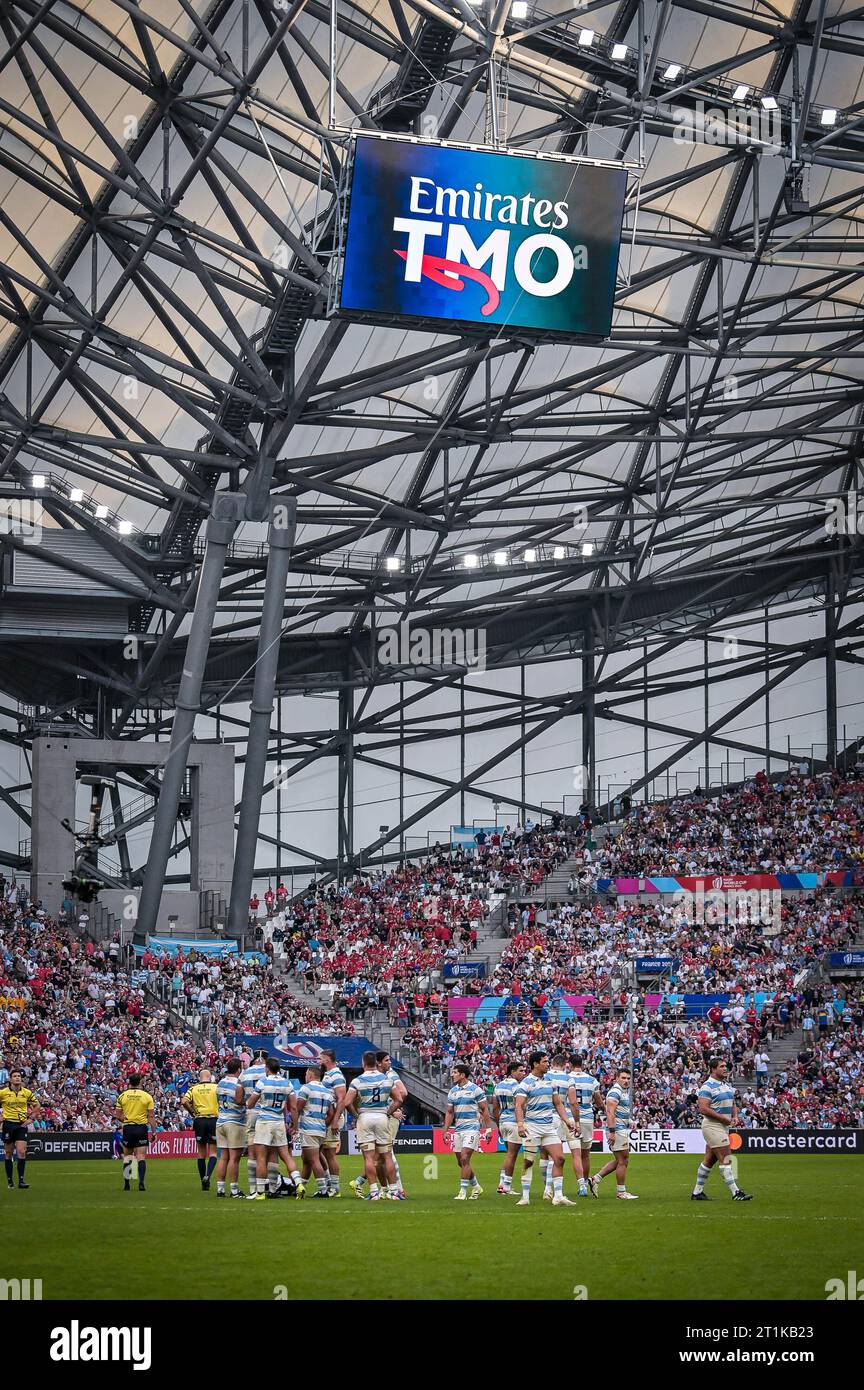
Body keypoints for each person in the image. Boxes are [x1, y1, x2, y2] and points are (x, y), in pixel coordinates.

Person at [330, 1050, 401, 1201]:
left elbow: (347, 1102)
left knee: (369, 1157)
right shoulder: (387, 1079)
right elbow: (399, 1099)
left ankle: (374, 1192)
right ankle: (394, 1192)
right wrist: (388, 1112)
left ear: (363, 1063)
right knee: (387, 1156)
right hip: (382, 1117)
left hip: (365, 1117)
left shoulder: (358, 1081)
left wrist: (356, 1115)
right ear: (376, 1062)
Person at [514, 1052, 576, 1206]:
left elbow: (558, 1103)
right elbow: (518, 1106)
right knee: (528, 1161)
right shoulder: (526, 1083)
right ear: (536, 1064)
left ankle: (558, 1196)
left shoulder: (550, 1081)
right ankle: (525, 1197)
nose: (548, 1064)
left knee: (560, 1159)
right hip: (532, 1127)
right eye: (545, 1061)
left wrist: (567, 1120)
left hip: (548, 1127)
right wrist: (520, 1124)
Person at [692, 1057, 753, 1202]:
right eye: (722, 1066)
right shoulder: (707, 1086)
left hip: (723, 1126)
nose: (725, 1068)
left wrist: (735, 1116)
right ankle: (735, 1192)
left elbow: (732, 1102)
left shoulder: (726, 1085)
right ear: (713, 1069)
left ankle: (697, 1193)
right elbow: (703, 1108)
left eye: (726, 1066)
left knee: (709, 1161)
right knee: (727, 1158)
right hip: (713, 1126)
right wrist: (723, 1118)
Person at [247, 1056, 305, 1200]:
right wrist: (295, 1125)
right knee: (286, 1155)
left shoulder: (262, 1082)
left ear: (267, 1068)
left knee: (261, 1157)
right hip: (279, 1122)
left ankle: (260, 1192)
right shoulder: (287, 1083)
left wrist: (251, 1102)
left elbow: (250, 1103)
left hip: (265, 1122)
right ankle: (298, 1183)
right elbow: (293, 1107)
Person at [443, 1062, 493, 1202]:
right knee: (461, 1162)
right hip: (458, 1129)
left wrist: (488, 1130)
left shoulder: (475, 1090)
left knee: (465, 1158)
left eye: (455, 1072)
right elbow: (449, 1112)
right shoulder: (453, 1091)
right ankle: (476, 1186)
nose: (452, 1075)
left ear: (463, 1075)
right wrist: (446, 1130)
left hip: (472, 1128)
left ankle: (463, 1191)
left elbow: (484, 1109)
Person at [591, 1069, 638, 1199]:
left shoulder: (622, 1092)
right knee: (623, 1160)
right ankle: (621, 1192)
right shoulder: (615, 1091)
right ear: (616, 1078)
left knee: (620, 1160)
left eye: (628, 1078)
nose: (626, 1081)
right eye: (623, 1078)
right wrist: (612, 1132)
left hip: (620, 1127)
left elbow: (619, 1112)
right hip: (617, 1129)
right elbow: (610, 1112)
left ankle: (595, 1179)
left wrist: (630, 1121)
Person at [295, 1064, 335, 1198]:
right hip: (320, 1129)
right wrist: (323, 1124)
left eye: (306, 1074)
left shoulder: (306, 1088)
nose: (305, 1076)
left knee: (313, 1160)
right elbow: (331, 1114)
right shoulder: (327, 1091)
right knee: (306, 1159)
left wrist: (293, 1125)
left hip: (308, 1128)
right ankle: (302, 1187)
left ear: (311, 1075)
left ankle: (323, 1190)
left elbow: (298, 1108)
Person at [544, 1052, 580, 1200]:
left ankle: (546, 1188)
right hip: (561, 1117)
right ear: (565, 1065)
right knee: (556, 1155)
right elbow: (572, 1102)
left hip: (544, 1117)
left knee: (546, 1155)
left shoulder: (545, 1076)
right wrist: (575, 1121)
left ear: (552, 1063)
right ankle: (552, 1190)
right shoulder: (568, 1078)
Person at [114, 1073, 154, 1193]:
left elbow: (118, 1116)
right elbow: (151, 1116)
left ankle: (127, 1183)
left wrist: (125, 1119)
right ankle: (141, 1183)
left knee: (128, 1157)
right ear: (140, 1082)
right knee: (141, 1157)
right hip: (141, 1127)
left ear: (129, 1082)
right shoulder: (147, 1096)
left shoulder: (122, 1096)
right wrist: (154, 1131)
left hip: (128, 1128)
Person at [1, 1069, 40, 1190]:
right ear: (10, 1079)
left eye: (19, 1076)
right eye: (15, 1076)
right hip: (8, 1124)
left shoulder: (27, 1092)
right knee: (8, 1153)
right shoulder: (3, 1093)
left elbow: (37, 1105)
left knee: (21, 1152)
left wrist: (32, 1118)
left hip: (21, 1125)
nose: (17, 1078)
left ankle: (21, 1180)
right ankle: (9, 1180)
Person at [569, 1052, 601, 1198]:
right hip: (587, 1118)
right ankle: (585, 1185)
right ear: (582, 1064)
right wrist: (606, 1113)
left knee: (575, 1154)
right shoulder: (591, 1080)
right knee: (585, 1155)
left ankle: (581, 1184)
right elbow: (599, 1101)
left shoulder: (566, 1078)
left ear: (570, 1064)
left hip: (570, 1119)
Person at [492, 1060, 526, 1194]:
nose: (523, 1074)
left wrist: (499, 1124)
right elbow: (521, 1106)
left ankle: (502, 1184)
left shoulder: (498, 1086)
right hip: (513, 1122)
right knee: (512, 1155)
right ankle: (506, 1186)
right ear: (512, 1072)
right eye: (521, 1071)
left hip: (503, 1121)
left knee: (509, 1155)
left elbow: (495, 1107)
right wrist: (521, 1124)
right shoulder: (517, 1087)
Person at [214, 1059, 246, 1198]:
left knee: (223, 1158)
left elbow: (217, 1100)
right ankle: (234, 1190)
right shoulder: (238, 1084)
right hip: (234, 1121)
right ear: (239, 1069)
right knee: (234, 1158)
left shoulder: (220, 1083)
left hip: (221, 1121)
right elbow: (240, 1100)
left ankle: (220, 1188)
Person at [183, 1067, 219, 1191]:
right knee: (213, 1152)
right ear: (210, 1077)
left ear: (200, 1078)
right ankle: (208, 1176)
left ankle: (203, 1181)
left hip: (199, 1120)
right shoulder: (216, 1087)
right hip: (213, 1119)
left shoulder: (193, 1089)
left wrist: (192, 1111)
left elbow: (183, 1101)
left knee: (201, 1153)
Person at [239, 1050, 268, 1197]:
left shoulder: (244, 1073)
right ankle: (270, 1187)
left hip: (251, 1113)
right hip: (268, 1115)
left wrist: (245, 1102)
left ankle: (253, 1189)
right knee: (268, 1152)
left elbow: (238, 1096)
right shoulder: (270, 1073)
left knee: (251, 1151)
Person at [320, 1047, 347, 1197]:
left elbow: (341, 1099)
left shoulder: (336, 1074)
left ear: (327, 1059)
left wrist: (335, 1120)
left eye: (321, 1058)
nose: (319, 1060)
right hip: (327, 1115)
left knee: (329, 1153)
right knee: (320, 1151)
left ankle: (335, 1188)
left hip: (333, 1116)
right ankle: (329, 1182)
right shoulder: (329, 1074)